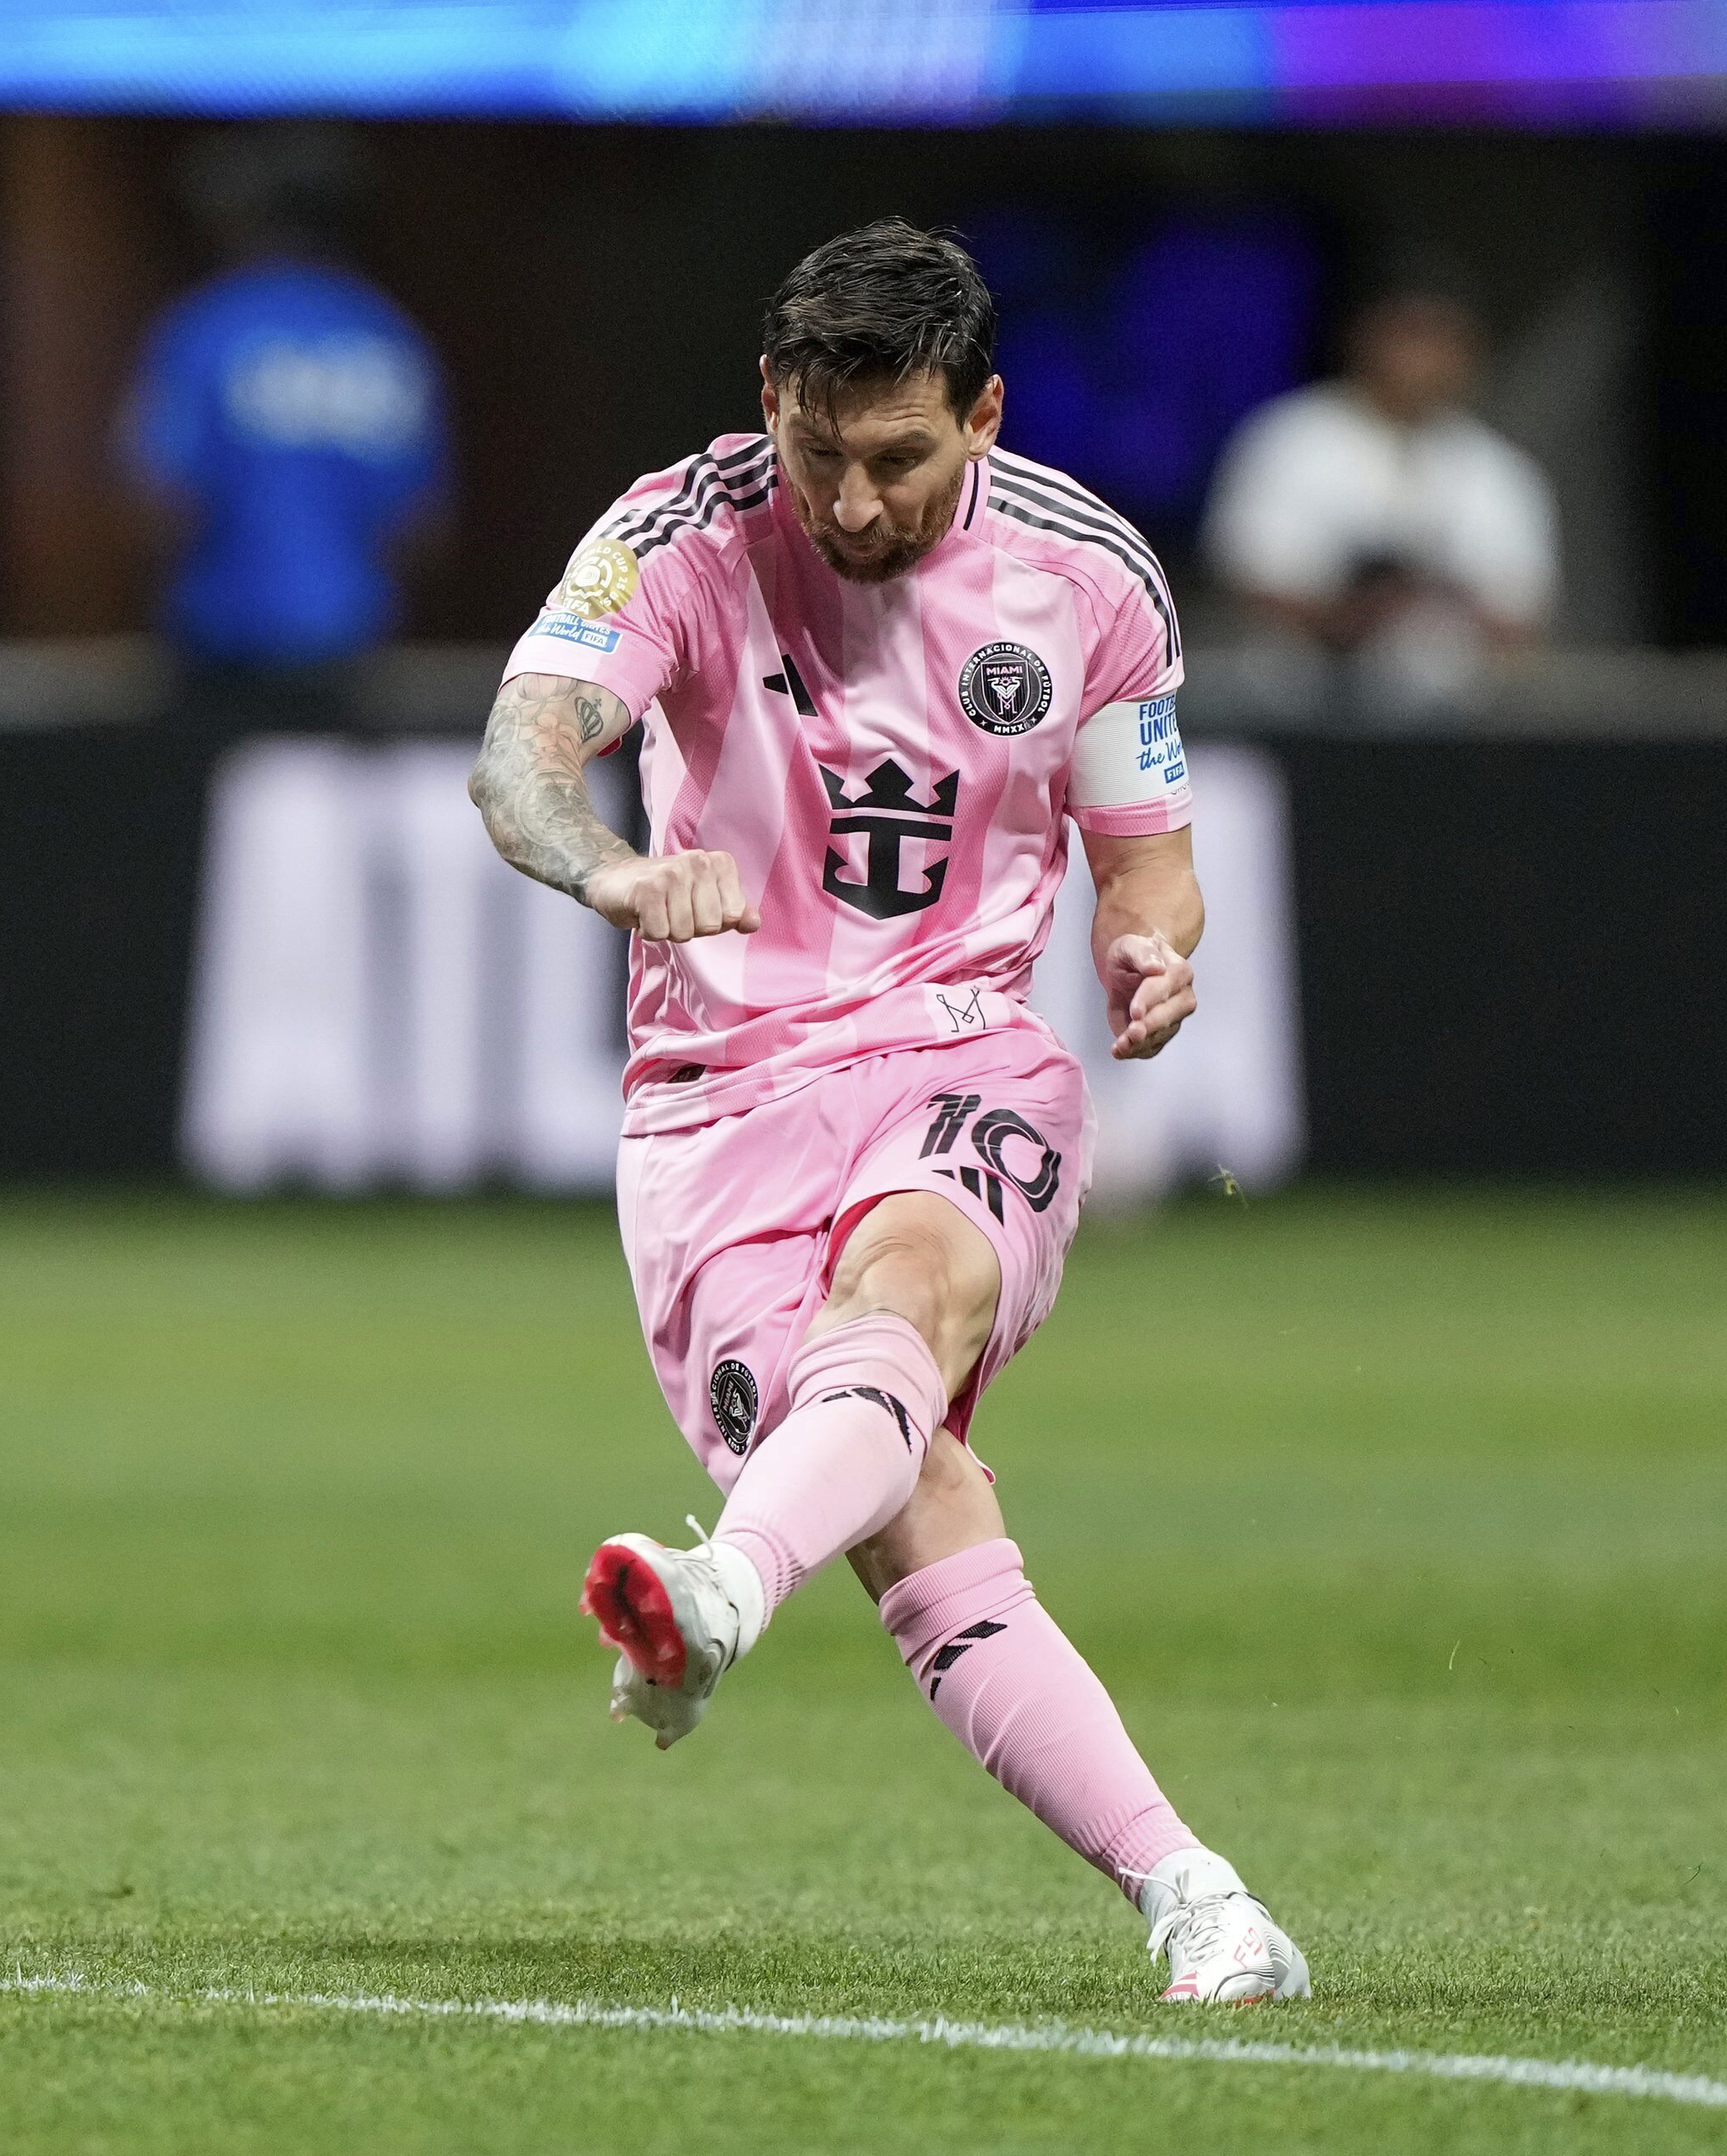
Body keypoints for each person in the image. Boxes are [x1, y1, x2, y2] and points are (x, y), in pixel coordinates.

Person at [468, 219, 1309, 2006]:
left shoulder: (1089, 579)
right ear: (769, 402)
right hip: (714, 1111)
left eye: (900, 459)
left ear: (985, 414)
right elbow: (518, 757)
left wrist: (1153, 954)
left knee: (905, 1299)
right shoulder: (675, 535)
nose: (851, 505)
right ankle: (1201, 1896)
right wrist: (615, 870)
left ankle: (716, 1600)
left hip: (956, 1052)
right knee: (912, 1486)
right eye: (817, 452)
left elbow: (1147, 865)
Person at [123, 126, 446, 747]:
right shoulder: (387, 336)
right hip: (350, 650)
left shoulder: (208, 327)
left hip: (220, 652)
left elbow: (160, 501)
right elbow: (419, 527)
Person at [1203, 272, 1556, 712]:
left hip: (1450, 724)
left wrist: (1426, 600)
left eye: (1443, 341)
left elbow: (1517, 619)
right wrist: (1357, 610)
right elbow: (1250, 576)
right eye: (1410, 336)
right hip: (1293, 713)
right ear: (1366, 338)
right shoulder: (1290, 439)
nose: (1424, 359)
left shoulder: (1498, 470)